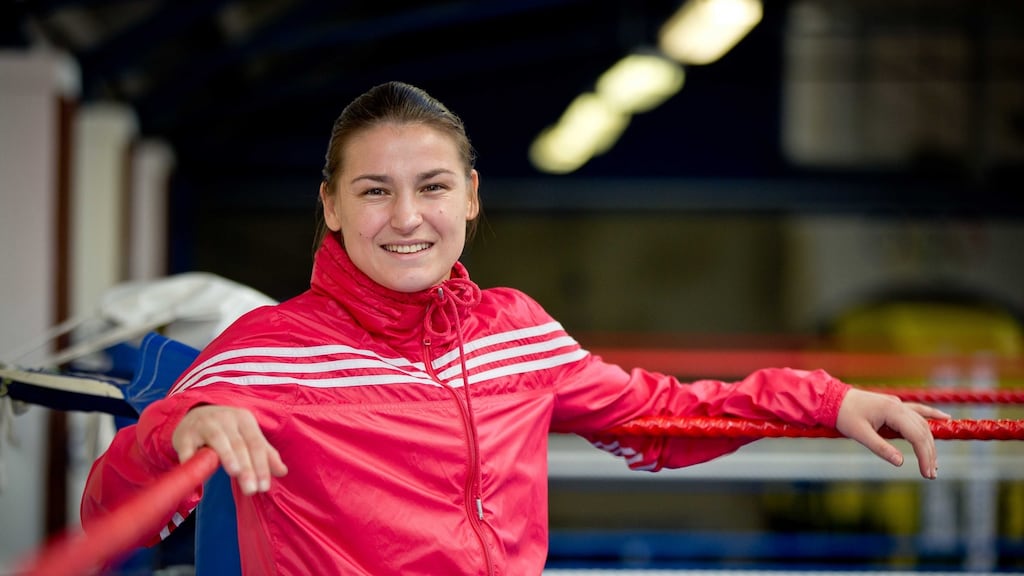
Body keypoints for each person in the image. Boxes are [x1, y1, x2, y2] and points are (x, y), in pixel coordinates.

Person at [82, 81, 951, 575]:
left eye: (431, 186)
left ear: (470, 196)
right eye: (374, 191)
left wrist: (824, 401)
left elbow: (659, 418)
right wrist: (177, 431)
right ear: (332, 209)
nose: (406, 217)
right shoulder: (270, 351)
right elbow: (111, 514)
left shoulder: (513, 331)